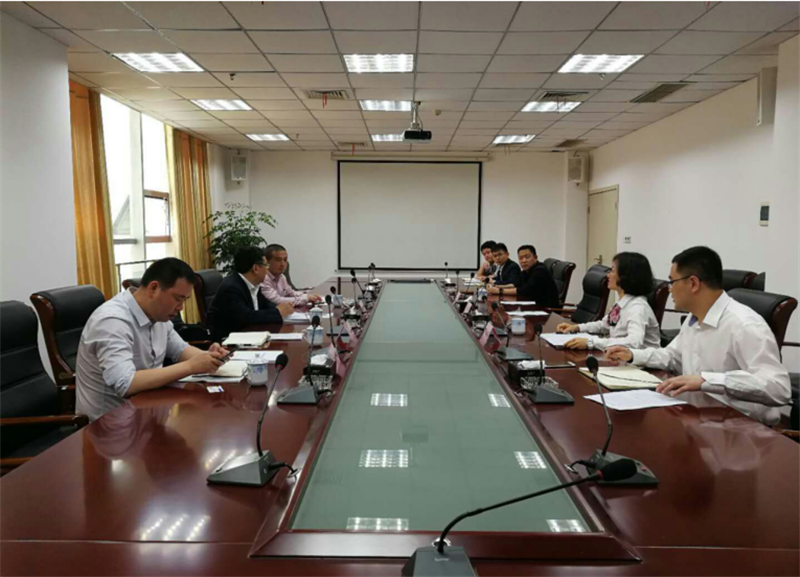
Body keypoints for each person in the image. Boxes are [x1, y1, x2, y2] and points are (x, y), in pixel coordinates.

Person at [605, 246, 790, 426]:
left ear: (693, 283)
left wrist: (707, 381)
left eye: (672, 282)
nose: (669, 289)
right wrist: (632, 355)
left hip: (741, 428)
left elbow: (778, 388)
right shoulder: (694, 318)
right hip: (700, 416)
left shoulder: (744, 325)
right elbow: (672, 357)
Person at [76, 258, 229, 421]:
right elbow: (126, 384)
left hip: (148, 415)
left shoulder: (158, 316)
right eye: (178, 299)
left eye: (184, 301)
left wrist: (209, 357)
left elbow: (180, 350)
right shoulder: (112, 321)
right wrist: (190, 366)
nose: (180, 308)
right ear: (154, 288)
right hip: (110, 425)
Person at [557, 252, 660, 350]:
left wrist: (591, 343)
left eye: (612, 271)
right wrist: (577, 328)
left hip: (640, 362)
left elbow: (634, 343)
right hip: (620, 357)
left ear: (626, 276)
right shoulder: (623, 303)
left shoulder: (638, 308)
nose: (608, 275)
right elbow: (604, 325)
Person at [207, 246, 294, 342]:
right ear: (256, 268)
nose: (267, 270)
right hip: (228, 343)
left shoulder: (254, 285)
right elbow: (246, 317)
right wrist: (277, 312)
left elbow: (266, 305)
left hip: (249, 337)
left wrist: (283, 309)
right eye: (266, 265)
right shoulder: (232, 287)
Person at [488, 245, 560, 308]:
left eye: (527, 257)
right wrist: (497, 287)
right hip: (532, 306)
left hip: (545, 310)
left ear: (535, 257)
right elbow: (515, 284)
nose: (524, 261)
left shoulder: (540, 271)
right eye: (520, 258)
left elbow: (524, 291)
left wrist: (500, 291)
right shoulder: (526, 271)